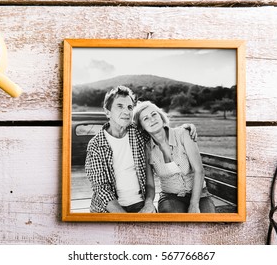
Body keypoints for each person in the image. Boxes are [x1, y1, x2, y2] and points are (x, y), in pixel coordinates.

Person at [85, 85, 196, 213]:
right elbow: (101, 189)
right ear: (107, 112)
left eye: (130, 107)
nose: (126, 112)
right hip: (108, 209)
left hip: (141, 204)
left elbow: (158, 130)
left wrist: (185, 128)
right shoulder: (95, 145)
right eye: (120, 106)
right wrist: (126, 220)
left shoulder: (137, 133)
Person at [133, 100, 216, 213]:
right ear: (142, 127)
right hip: (170, 197)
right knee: (173, 220)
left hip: (199, 195)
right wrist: (148, 203)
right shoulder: (147, 149)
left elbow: (199, 170)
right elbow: (150, 185)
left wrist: (194, 204)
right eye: (145, 118)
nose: (152, 119)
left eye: (154, 114)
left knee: (206, 221)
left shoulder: (183, 134)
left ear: (161, 116)